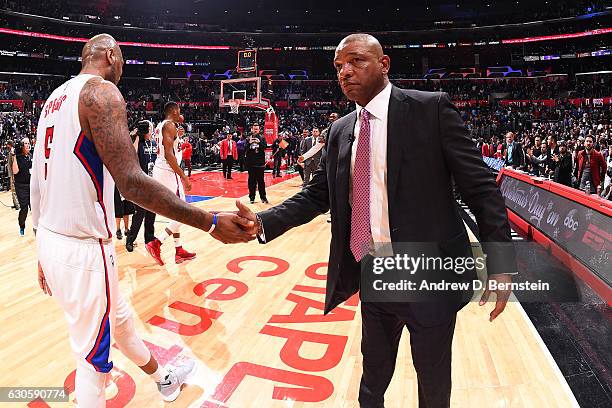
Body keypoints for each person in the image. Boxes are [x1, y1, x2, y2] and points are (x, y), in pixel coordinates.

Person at [235, 33, 516, 408]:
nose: (345, 72)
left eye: (356, 61)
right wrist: (263, 221)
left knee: (433, 385)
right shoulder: (339, 131)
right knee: (372, 380)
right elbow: (317, 196)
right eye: (338, 66)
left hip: (430, 273)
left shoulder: (431, 110)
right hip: (375, 272)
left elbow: (482, 190)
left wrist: (500, 264)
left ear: (384, 65)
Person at [30, 34, 254, 408]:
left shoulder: (53, 100)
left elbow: (39, 179)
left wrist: (41, 249)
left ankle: (163, 380)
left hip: (54, 240)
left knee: (121, 322)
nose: (122, 69)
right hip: (85, 250)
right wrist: (210, 222)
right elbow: (132, 184)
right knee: (91, 361)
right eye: (122, 60)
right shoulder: (100, 93)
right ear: (110, 54)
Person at [147, 102, 197, 265]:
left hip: (160, 169)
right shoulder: (169, 126)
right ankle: (157, 243)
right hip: (168, 171)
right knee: (184, 212)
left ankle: (179, 250)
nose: (181, 113)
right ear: (174, 111)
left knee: (177, 213)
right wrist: (184, 176)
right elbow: (169, 155)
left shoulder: (162, 125)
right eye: (179, 110)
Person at [126, 120, 157, 252]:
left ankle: (149, 239)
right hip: (141, 184)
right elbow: (132, 155)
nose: (151, 130)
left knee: (152, 214)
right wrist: (137, 137)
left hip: (154, 183)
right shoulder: (139, 143)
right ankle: (130, 240)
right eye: (149, 128)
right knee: (139, 214)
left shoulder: (154, 143)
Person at [11, 137, 32, 236]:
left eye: (29, 143)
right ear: (21, 146)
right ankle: (22, 226)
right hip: (21, 186)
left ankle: (39, 227)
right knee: (24, 209)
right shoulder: (18, 158)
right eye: (26, 143)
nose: (28, 145)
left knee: (35, 206)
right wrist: (14, 156)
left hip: (31, 185)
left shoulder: (30, 157)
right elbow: (15, 172)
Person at [245, 123, 268, 204]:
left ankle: (263, 197)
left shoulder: (262, 138)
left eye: (257, 129)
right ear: (252, 129)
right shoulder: (248, 138)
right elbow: (244, 149)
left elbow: (265, 147)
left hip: (260, 164)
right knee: (251, 182)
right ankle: (252, 198)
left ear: (259, 130)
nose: (255, 130)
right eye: (254, 129)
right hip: (251, 163)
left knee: (261, 182)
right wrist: (249, 143)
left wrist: (259, 143)